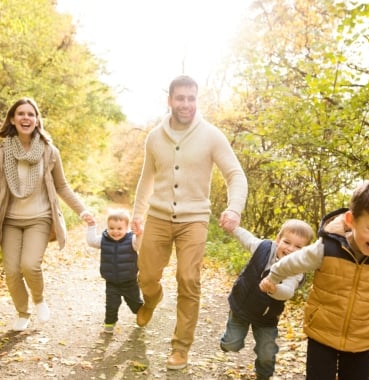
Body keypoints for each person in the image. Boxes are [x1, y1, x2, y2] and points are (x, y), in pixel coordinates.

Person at [130, 74, 248, 370]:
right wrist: (137, 213)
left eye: (192, 98)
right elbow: (147, 178)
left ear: (197, 100)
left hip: (194, 219)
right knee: (146, 276)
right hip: (157, 216)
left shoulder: (211, 135)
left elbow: (235, 174)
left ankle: (181, 347)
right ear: (169, 100)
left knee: (188, 278)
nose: (186, 104)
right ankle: (152, 299)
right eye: (180, 98)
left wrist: (234, 209)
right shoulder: (155, 136)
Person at [260, 179, 369, 380]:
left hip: (362, 339)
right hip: (321, 332)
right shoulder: (328, 247)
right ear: (351, 220)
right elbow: (294, 262)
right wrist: (274, 276)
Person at [0, 97, 94, 332]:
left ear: (37, 120)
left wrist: (82, 210)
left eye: (31, 114)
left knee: (30, 265)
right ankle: (23, 312)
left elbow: (62, 186)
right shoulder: (0, 154)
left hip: (39, 218)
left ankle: (39, 299)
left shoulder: (49, 151)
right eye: (21, 114)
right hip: (10, 220)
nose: (26, 118)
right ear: (12, 119)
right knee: (12, 271)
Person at [220, 219, 314, 380]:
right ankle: (228, 342)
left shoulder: (297, 270)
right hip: (242, 305)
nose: (291, 249)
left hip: (267, 316)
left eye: (298, 247)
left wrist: (275, 289)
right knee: (231, 344)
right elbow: (247, 238)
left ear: (305, 251)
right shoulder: (263, 248)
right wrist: (234, 228)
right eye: (287, 242)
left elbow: (288, 291)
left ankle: (263, 375)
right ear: (277, 240)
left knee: (267, 352)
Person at [85, 208, 144, 334]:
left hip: (130, 281)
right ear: (107, 227)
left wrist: (139, 234)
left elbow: (140, 245)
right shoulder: (104, 239)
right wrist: (91, 226)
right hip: (112, 282)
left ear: (127, 228)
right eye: (112, 228)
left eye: (119, 228)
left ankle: (143, 317)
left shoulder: (132, 239)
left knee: (135, 303)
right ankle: (109, 324)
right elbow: (91, 241)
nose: (115, 232)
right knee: (111, 305)